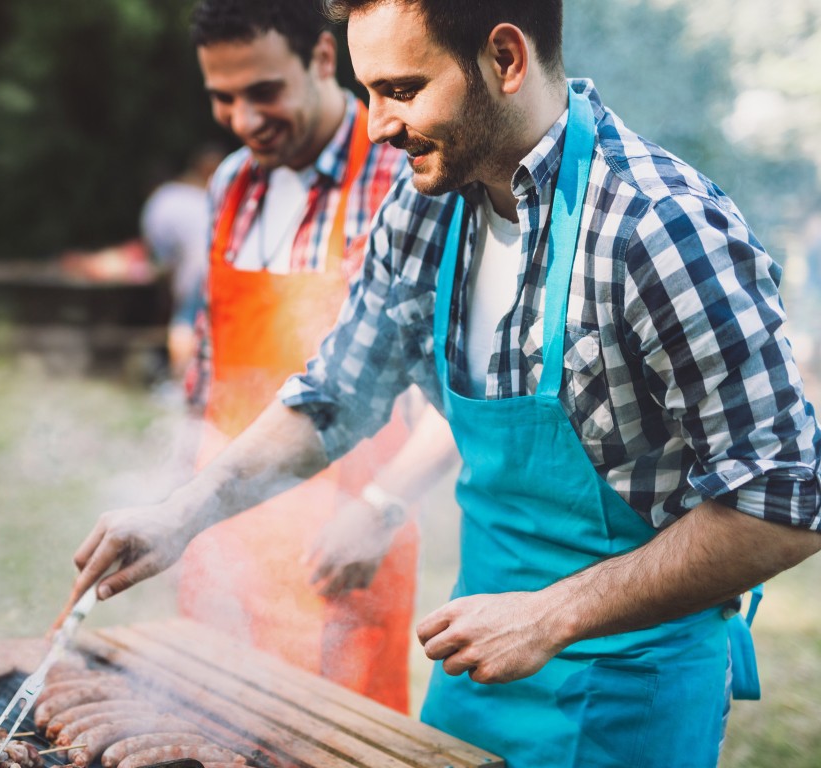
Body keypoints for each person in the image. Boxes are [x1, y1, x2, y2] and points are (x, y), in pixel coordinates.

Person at [65, 0, 821, 765]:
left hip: (632, 685)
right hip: (477, 664)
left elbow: (783, 505)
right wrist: (181, 513)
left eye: (400, 89)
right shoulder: (425, 206)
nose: (375, 127)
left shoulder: (659, 228)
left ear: (505, 59)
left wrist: (548, 619)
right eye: (367, 92)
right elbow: (336, 394)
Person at [154, 0, 450, 714]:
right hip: (224, 533)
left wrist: (382, 507)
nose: (244, 119)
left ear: (323, 59)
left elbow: (453, 392)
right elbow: (208, 370)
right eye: (223, 98)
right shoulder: (230, 185)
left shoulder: (399, 175)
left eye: (264, 91)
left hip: (341, 541)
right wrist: (173, 506)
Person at [140, 144, 227, 379]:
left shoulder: (166, 198)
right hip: (223, 264)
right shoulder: (211, 197)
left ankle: (181, 381)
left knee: (185, 323)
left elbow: (159, 250)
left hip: (197, 269)